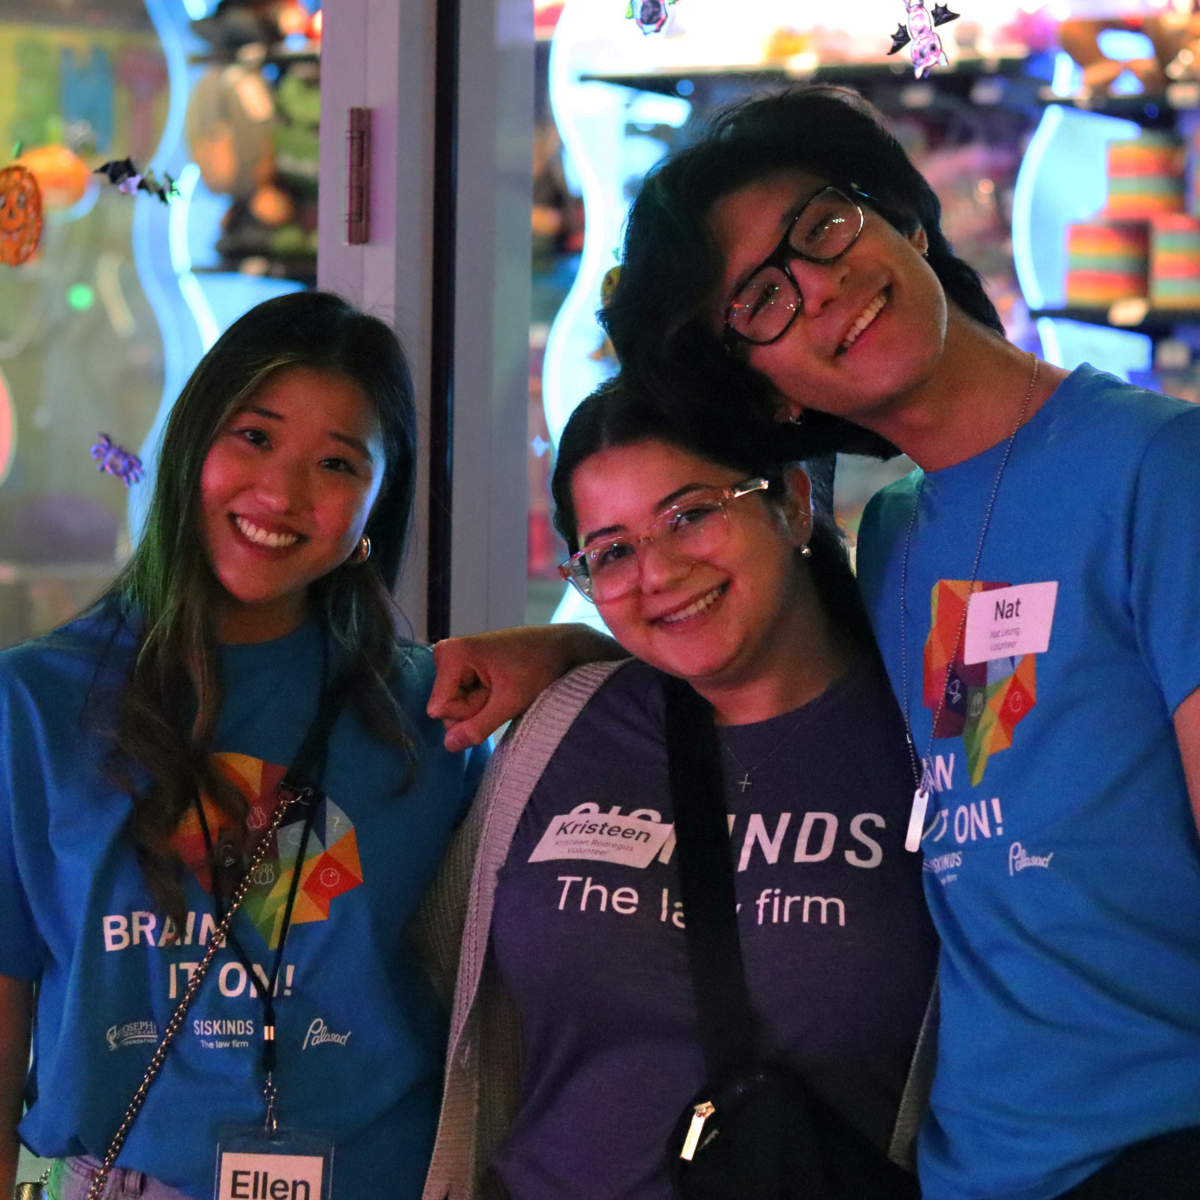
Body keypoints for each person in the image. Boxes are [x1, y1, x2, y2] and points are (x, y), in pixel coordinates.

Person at [429, 87, 1200, 1200]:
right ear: (771, 400)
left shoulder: (1159, 472)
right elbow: (760, 651)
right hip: (975, 1164)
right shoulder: (894, 542)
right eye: (763, 301)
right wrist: (565, 655)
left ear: (904, 220)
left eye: (824, 226)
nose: (823, 285)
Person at [0, 291, 486, 1200]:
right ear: (192, 446)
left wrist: (571, 646)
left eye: (336, 462)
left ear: (379, 501)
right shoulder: (37, 701)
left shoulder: (433, 709)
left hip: (384, 1176)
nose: (281, 493)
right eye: (255, 437)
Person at [422, 377, 938, 1200]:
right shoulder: (561, 728)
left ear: (794, 504)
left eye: (691, 513)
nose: (657, 572)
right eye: (614, 550)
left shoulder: (921, 748)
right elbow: (442, 986)